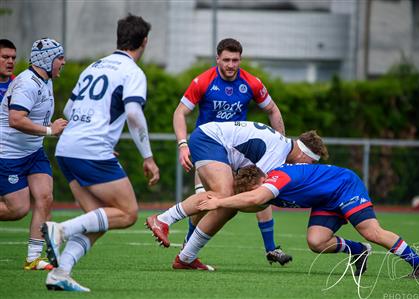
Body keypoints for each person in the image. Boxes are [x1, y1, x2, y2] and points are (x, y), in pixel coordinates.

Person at [41, 14, 160, 292]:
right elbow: (133, 113)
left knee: (99, 218)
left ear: (119, 37)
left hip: (67, 148)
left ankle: (60, 273)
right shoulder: (132, 72)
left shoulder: (93, 67)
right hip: (90, 149)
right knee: (128, 213)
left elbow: (70, 111)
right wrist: (148, 156)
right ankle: (61, 230)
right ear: (144, 42)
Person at [197, 163, 419, 279]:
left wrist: (219, 203)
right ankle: (359, 251)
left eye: (255, 188)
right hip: (325, 200)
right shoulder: (263, 190)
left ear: (264, 178)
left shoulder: (276, 178)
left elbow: (256, 197)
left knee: (371, 231)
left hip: (344, 186)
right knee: (316, 242)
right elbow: (251, 202)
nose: (256, 194)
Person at [146, 121, 328, 270]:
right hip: (209, 139)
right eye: (311, 162)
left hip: (214, 142)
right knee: (223, 196)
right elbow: (257, 192)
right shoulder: (278, 154)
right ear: (304, 154)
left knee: (227, 206)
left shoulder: (282, 149)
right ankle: (162, 219)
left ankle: (186, 258)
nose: (309, 167)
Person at [173, 38, 289, 264]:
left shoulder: (252, 83)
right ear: (217, 59)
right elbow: (179, 113)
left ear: (240, 60)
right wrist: (182, 144)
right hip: (208, 149)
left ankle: (271, 248)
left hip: (239, 150)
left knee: (262, 188)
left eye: (235, 60)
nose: (231, 64)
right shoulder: (203, 82)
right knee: (206, 201)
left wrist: (281, 142)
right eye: (226, 59)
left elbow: (273, 110)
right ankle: (187, 244)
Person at [0, 38, 67, 270]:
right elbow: (15, 119)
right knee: (16, 209)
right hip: (9, 154)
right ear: (47, 59)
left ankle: (33, 258)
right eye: (60, 57)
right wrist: (50, 130)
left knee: (45, 197)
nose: (63, 62)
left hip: (33, 152)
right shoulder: (27, 83)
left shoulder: (44, 80)